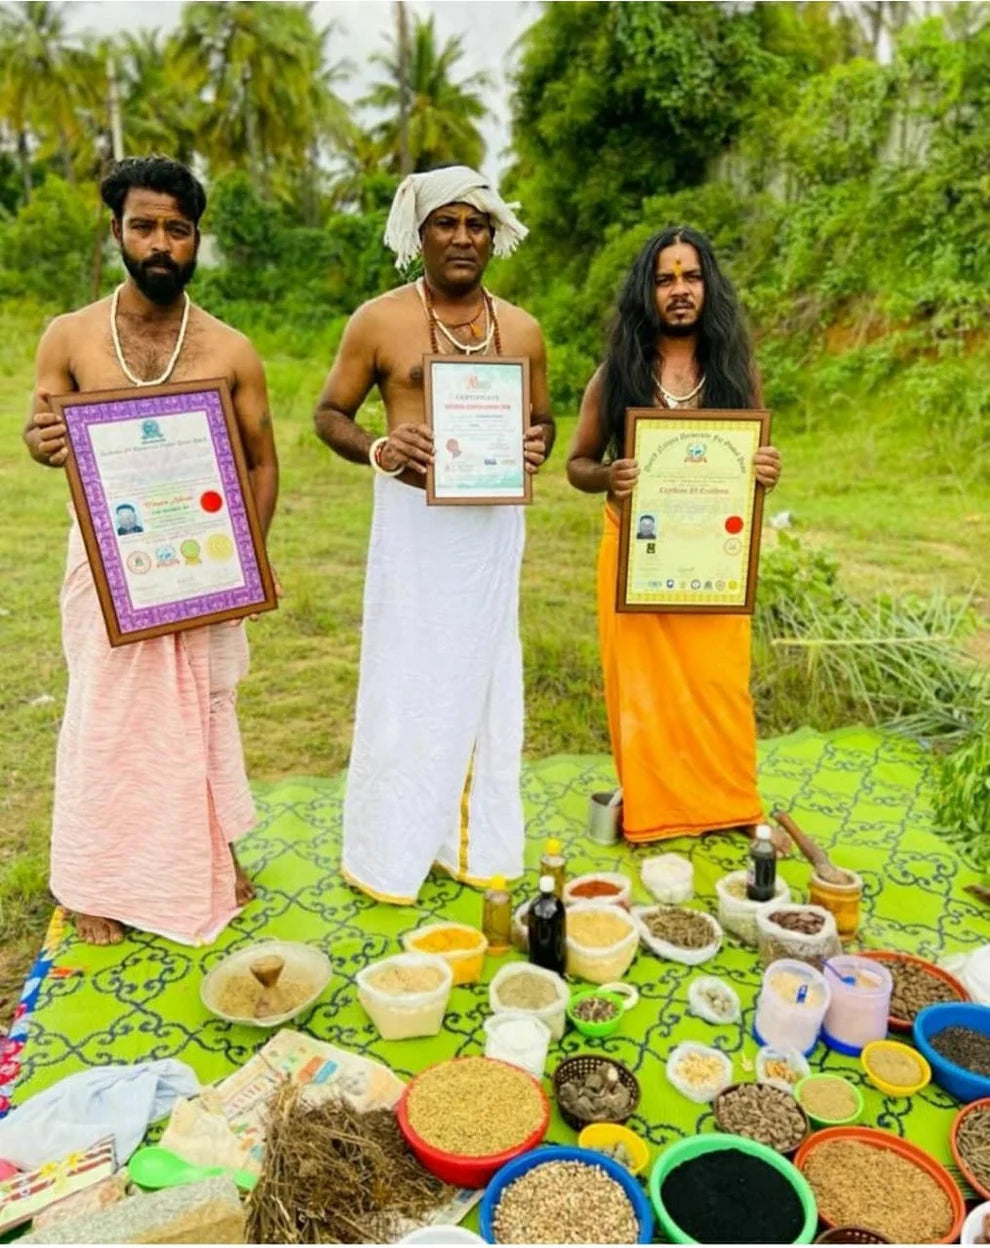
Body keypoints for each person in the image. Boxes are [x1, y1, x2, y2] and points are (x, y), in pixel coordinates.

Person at [24, 156, 279, 945]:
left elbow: (263, 462)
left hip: (206, 563)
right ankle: (94, 879)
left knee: (204, 713)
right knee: (108, 721)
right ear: (117, 233)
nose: (160, 243)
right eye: (144, 226)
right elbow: (43, 434)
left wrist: (245, 569)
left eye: (177, 227)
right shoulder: (69, 336)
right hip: (109, 570)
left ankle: (211, 856)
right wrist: (40, 441)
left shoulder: (230, 349)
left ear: (197, 238)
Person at [313, 165, 554, 904]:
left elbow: (541, 421)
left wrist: (536, 445)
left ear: (493, 237)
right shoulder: (378, 320)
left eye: (475, 224)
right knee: (407, 679)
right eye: (445, 222)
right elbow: (331, 415)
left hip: (489, 532)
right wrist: (380, 450)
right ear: (418, 235)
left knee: (484, 677)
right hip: (412, 531)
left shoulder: (521, 329)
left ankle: (475, 843)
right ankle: (390, 849)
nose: (461, 236)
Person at [566, 225, 782, 843]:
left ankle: (732, 806)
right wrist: (612, 472)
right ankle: (659, 812)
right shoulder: (618, 373)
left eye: (691, 277)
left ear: (709, 287)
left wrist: (766, 471)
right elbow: (578, 464)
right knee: (644, 692)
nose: (680, 290)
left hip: (715, 557)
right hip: (636, 553)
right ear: (648, 292)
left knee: (719, 684)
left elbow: (756, 464)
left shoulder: (736, 371)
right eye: (665, 279)